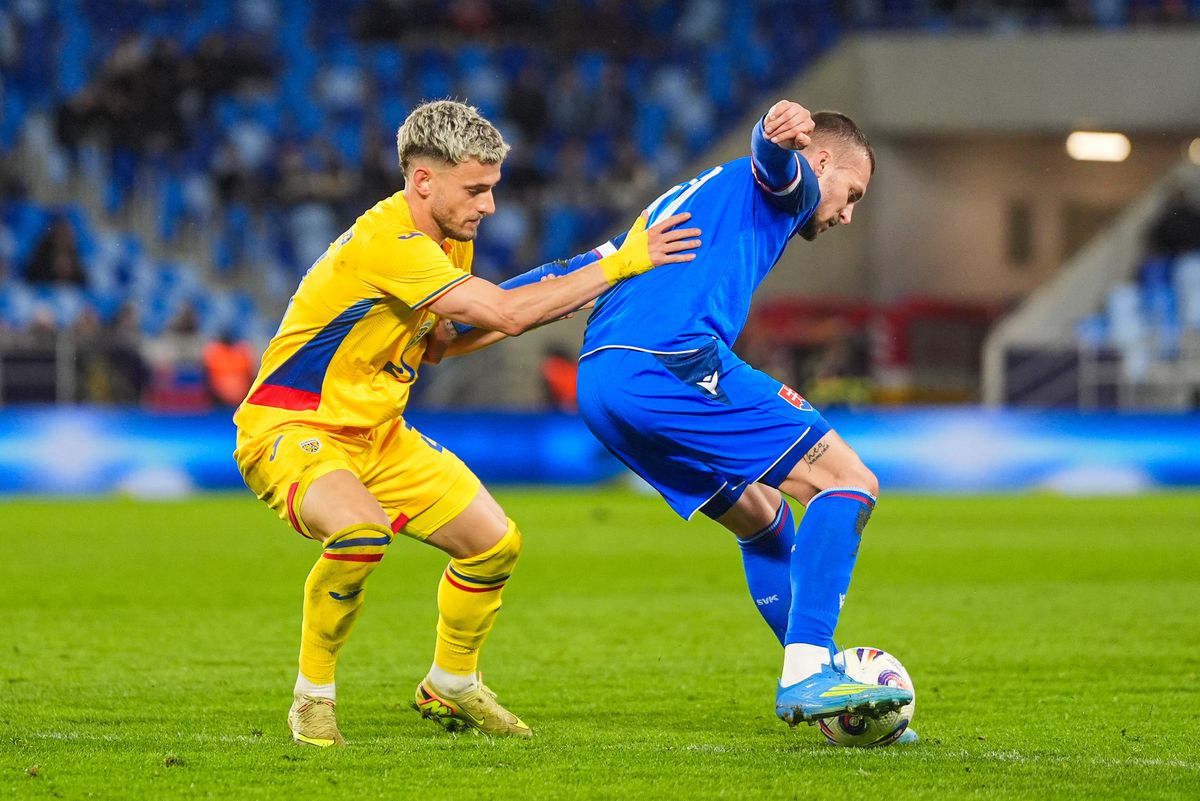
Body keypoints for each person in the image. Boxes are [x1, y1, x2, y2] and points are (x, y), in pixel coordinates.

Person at [232, 100, 699, 747]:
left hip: (378, 433)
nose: (490, 206)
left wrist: (557, 295)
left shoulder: (449, 237)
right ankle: (312, 698)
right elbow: (505, 312)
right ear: (424, 181)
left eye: (491, 188)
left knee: (493, 543)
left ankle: (451, 682)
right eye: (476, 190)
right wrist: (616, 264)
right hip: (291, 429)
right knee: (361, 532)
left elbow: (443, 343)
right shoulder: (388, 243)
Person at [571, 100, 917, 737]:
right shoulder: (794, 182)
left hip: (599, 385)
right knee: (848, 481)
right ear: (822, 162)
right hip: (669, 362)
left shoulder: (690, 197)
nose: (847, 213)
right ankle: (808, 671)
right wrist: (772, 133)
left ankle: (825, 681)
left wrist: (471, 315)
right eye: (852, 194)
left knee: (764, 519)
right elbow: (775, 165)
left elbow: (578, 270)